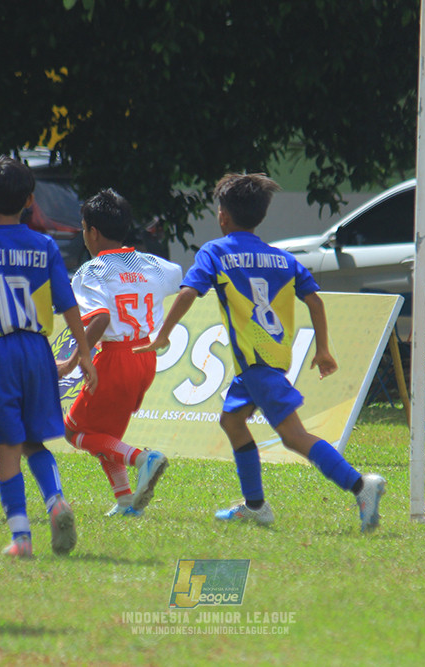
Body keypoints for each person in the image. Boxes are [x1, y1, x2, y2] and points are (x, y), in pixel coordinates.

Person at [135, 173, 386, 531]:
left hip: (256, 363)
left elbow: (189, 293)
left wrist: (163, 335)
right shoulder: (282, 258)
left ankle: (361, 485)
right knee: (231, 420)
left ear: (223, 216)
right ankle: (255, 506)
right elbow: (314, 300)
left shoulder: (216, 252)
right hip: (263, 362)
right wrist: (324, 349)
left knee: (293, 436)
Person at [0, 156, 96, 558]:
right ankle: (56, 500)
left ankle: (22, 537)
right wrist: (83, 352)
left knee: (8, 446)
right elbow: (67, 304)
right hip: (36, 351)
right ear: (30, 200)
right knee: (33, 441)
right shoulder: (44, 245)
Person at [58, 189, 182, 517]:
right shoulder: (152, 264)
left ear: (92, 232)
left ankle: (144, 459)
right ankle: (126, 501)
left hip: (115, 356)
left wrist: (74, 361)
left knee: (75, 431)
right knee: (105, 436)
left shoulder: (92, 270)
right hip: (145, 356)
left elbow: (99, 318)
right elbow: (180, 279)